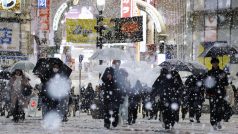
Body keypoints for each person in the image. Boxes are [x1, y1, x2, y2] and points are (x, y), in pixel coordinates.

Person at [204, 58, 229, 130]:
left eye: (216, 63)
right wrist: (207, 91)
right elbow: (206, 83)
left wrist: (222, 79)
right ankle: (213, 123)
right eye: (213, 63)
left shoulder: (222, 72)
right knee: (212, 109)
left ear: (218, 63)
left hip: (220, 93)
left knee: (219, 108)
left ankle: (218, 121)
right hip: (212, 93)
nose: (215, 64)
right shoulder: (209, 73)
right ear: (211, 64)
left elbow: (226, 83)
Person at [101, 60, 124, 129]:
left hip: (116, 94)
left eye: (119, 64)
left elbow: (121, 84)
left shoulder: (119, 72)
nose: (118, 65)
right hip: (108, 93)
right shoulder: (108, 69)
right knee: (107, 110)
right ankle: (107, 123)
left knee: (115, 110)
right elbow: (103, 78)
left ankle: (114, 122)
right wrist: (107, 76)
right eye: (116, 64)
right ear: (113, 63)